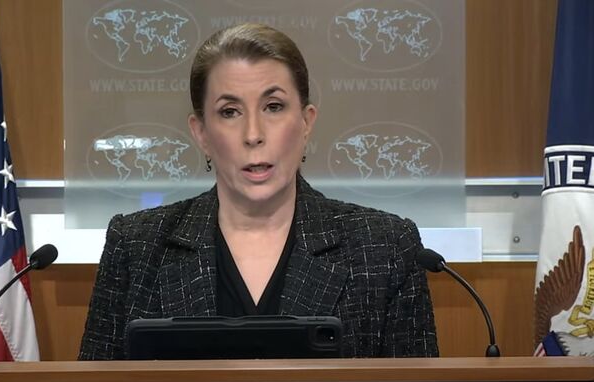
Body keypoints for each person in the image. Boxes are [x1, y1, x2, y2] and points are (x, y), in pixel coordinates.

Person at [78, 23, 438, 360]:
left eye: (273, 107)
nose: (253, 134)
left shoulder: (385, 248)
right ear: (201, 132)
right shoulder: (136, 246)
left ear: (306, 121)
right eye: (230, 111)